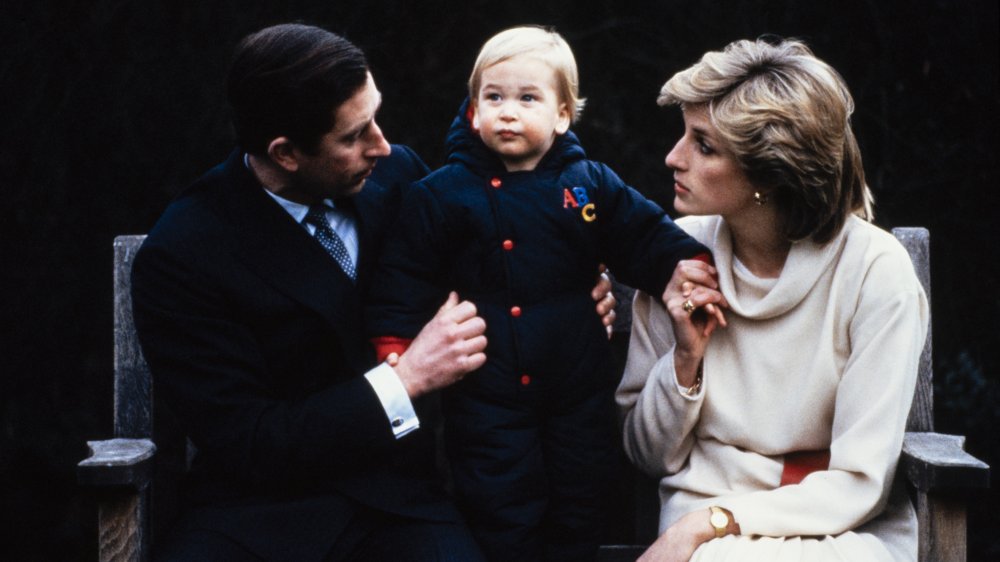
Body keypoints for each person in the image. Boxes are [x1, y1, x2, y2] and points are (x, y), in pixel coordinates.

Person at [131, 23, 615, 561]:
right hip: (257, 515)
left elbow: (496, 253)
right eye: (353, 135)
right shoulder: (186, 253)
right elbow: (249, 442)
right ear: (286, 152)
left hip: (400, 503)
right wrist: (404, 381)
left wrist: (572, 289)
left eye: (376, 117)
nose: (382, 144)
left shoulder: (399, 176)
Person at [365, 26, 710, 561]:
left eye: (528, 98)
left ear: (563, 114)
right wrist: (395, 344)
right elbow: (404, 274)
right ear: (473, 110)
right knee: (501, 513)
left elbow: (641, 235)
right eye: (493, 97)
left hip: (576, 391)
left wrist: (685, 267)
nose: (508, 111)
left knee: (578, 507)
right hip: (487, 397)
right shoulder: (442, 194)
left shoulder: (587, 184)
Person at [616, 37, 929, 561]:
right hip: (704, 526)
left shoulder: (876, 271)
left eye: (703, 145)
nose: (673, 158)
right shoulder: (677, 256)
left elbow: (860, 481)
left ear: (769, 173)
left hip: (842, 527)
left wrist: (711, 524)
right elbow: (649, 456)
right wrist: (685, 360)